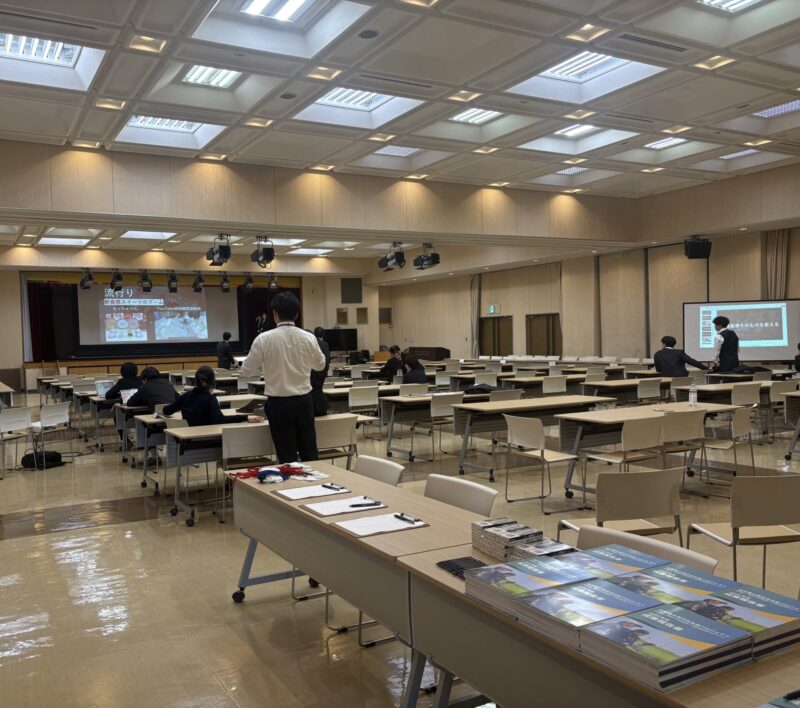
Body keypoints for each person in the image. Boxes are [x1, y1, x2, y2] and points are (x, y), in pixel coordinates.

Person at [240, 292, 326, 462]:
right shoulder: (309, 337)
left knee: (286, 455)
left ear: (274, 314)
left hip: (279, 404)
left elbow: (246, 371)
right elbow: (320, 365)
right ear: (296, 314)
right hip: (304, 401)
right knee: (310, 452)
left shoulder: (263, 339)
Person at [163, 366, 261, 427]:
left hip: (187, 439)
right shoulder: (211, 398)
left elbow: (166, 411)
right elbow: (220, 420)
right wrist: (245, 417)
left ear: (195, 380)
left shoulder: (186, 396)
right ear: (212, 381)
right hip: (207, 439)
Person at [310, 326, 330, 417]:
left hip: (312, 375)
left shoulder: (311, 344)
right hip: (321, 374)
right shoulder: (325, 344)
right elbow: (327, 361)